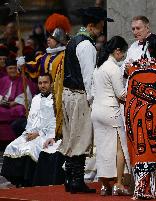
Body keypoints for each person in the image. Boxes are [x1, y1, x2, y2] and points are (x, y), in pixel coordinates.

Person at [58, 7, 113, 194]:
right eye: (101, 26)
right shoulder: (86, 45)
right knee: (80, 138)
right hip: (79, 96)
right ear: (91, 26)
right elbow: (89, 78)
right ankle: (76, 181)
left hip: (68, 94)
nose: (102, 29)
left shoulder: (74, 40)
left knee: (72, 137)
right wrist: (94, 101)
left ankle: (69, 179)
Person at [125, 33, 156, 199]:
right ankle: (146, 189)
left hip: (134, 113)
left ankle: (139, 188)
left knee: (140, 151)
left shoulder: (135, 67)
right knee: (150, 151)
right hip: (154, 115)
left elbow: (130, 89)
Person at [17, 13, 71, 139]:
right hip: (45, 97)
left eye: (51, 37)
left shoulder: (66, 56)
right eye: (48, 37)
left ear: (59, 40)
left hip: (62, 96)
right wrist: (23, 64)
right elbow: (35, 67)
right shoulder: (44, 56)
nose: (48, 39)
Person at [91, 35, 131, 196]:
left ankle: (104, 185)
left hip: (97, 111)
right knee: (119, 148)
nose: (124, 56)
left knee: (102, 149)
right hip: (110, 112)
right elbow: (121, 94)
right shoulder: (113, 67)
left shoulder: (99, 66)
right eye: (123, 53)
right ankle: (119, 184)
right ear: (117, 51)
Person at [0, 74, 55, 187]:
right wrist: (27, 133)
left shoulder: (55, 100)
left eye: (45, 82)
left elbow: (53, 122)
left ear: (51, 84)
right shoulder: (35, 99)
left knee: (31, 149)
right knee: (12, 146)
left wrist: (38, 133)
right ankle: (18, 179)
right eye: (40, 83)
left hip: (45, 134)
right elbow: (31, 120)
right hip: (31, 132)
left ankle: (28, 181)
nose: (42, 85)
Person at [0, 58, 35, 143]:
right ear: (6, 69)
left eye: (14, 68)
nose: (13, 70)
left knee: (20, 109)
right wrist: (2, 100)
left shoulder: (24, 80)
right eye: (10, 68)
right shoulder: (2, 80)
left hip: (17, 105)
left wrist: (15, 102)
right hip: (3, 105)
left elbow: (27, 96)